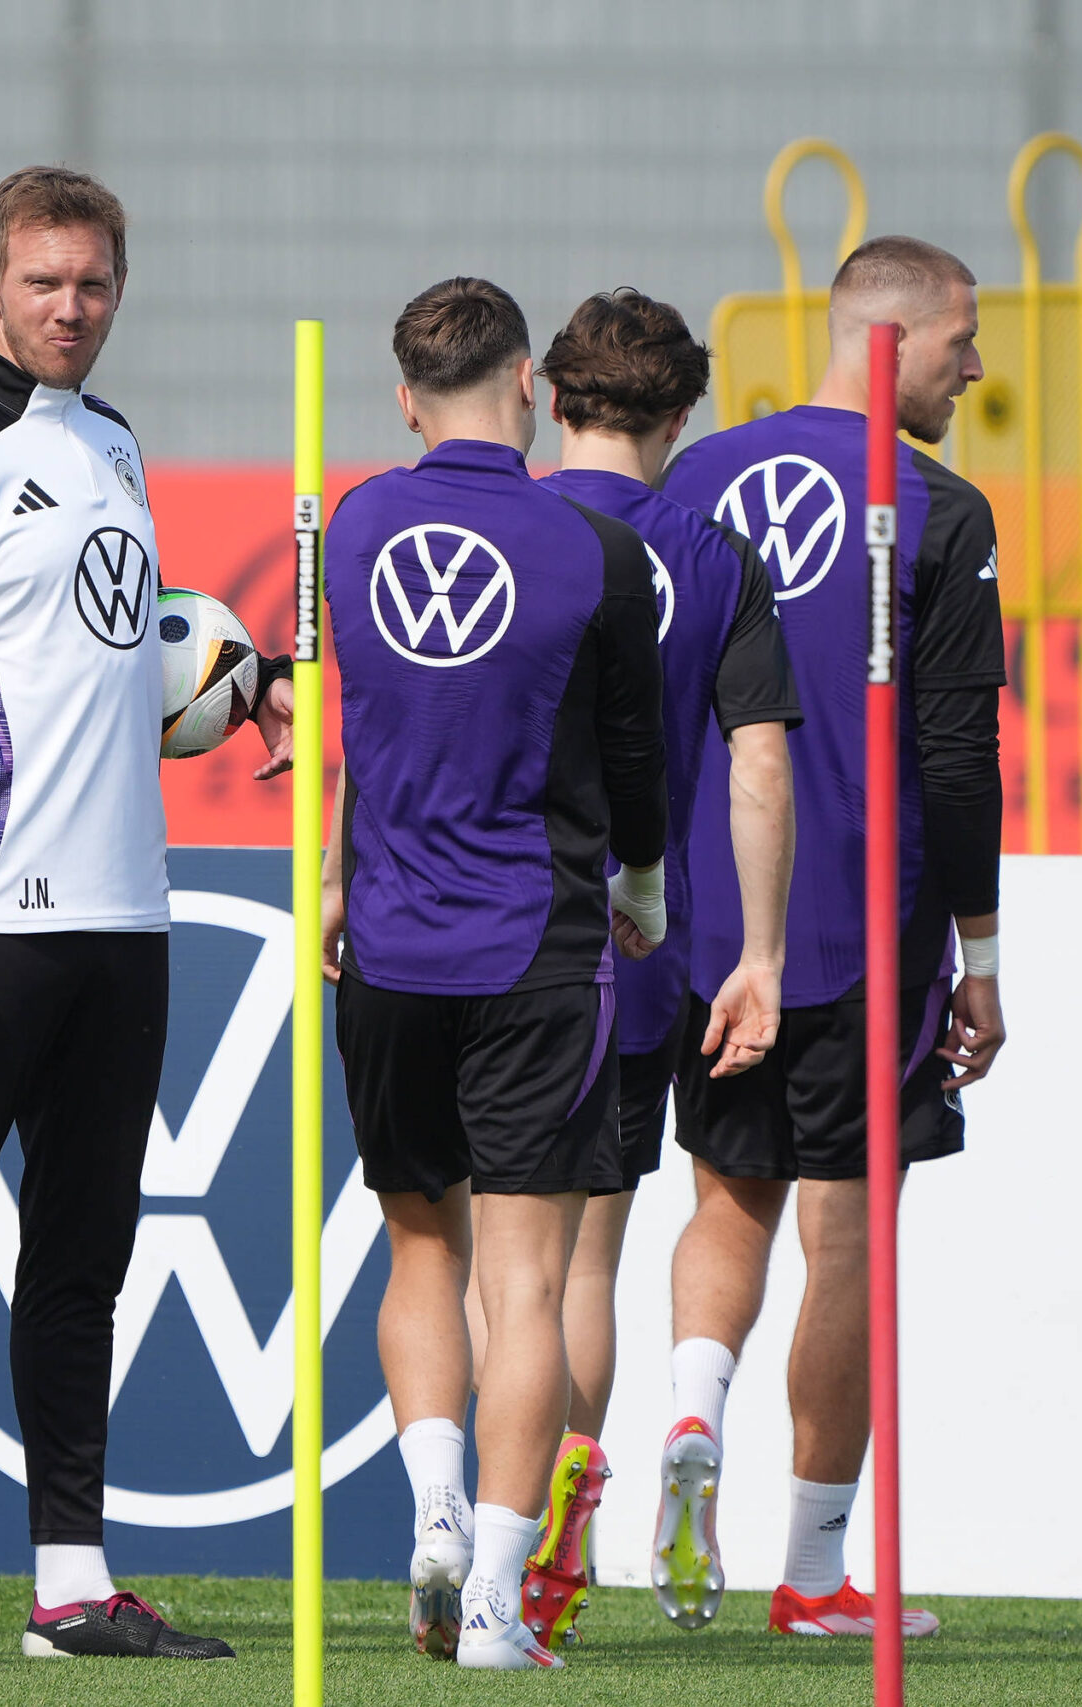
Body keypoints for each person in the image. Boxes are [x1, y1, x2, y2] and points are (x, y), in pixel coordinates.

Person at [0, 165, 288, 1666]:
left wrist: (248, 679)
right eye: (42, 281)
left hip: (124, 924)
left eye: (92, 282)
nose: (69, 307)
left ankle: (69, 1585)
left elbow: (115, 666)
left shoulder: (114, 443)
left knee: (83, 1262)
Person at [655, 235, 1007, 1640]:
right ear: (894, 336)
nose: (976, 368)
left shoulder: (693, 477)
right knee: (846, 1228)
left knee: (722, 1199)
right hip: (869, 919)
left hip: (713, 919)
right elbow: (958, 752)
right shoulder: (939, 504)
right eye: (961, 340)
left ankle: (691, 1410)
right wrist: (982, 953)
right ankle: (811, 1571)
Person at [321, 276, 668, 1670]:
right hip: (533, 940)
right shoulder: (588, 548)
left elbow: (362, 716)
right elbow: (635, 759)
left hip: (390, 942)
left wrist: (342, 868)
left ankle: (436, 1515)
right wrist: (640, 882)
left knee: (421, 1241)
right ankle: (491, 1607)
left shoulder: (348, 526)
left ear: (406, 396)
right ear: (527, 381)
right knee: (524, 1280)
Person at [473, 286, 801, 1649]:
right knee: (593, 1261)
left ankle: (486, 1533)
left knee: (518, 1269)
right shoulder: (718, 555)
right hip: (654, 937)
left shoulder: (514, 529)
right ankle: (554, 1545)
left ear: (551, 400)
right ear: (685, 416)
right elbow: (763, 762)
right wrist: (764, 952)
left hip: (502, 928)